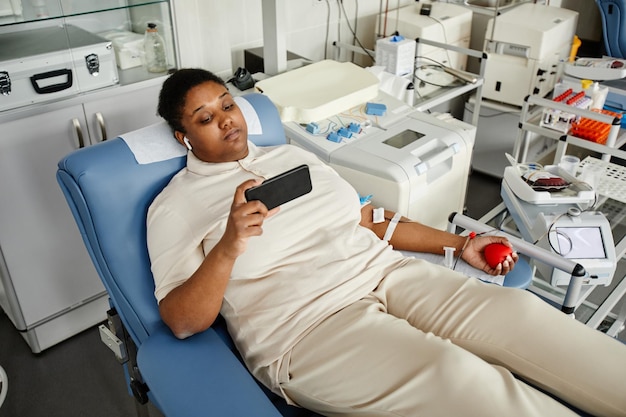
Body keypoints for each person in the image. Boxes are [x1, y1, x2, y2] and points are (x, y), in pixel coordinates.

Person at [147, 68, 626, 417]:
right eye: (204, 118)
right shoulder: (174, 207)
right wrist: (229, 245)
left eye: (227, 105)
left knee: (526, 320)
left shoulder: (290, 155)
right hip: (306, 329)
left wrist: (459, 245)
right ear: (182, 136)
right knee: (459, 378)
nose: (226, 120)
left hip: (389, 274)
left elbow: (366, 216)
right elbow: (184, 321)